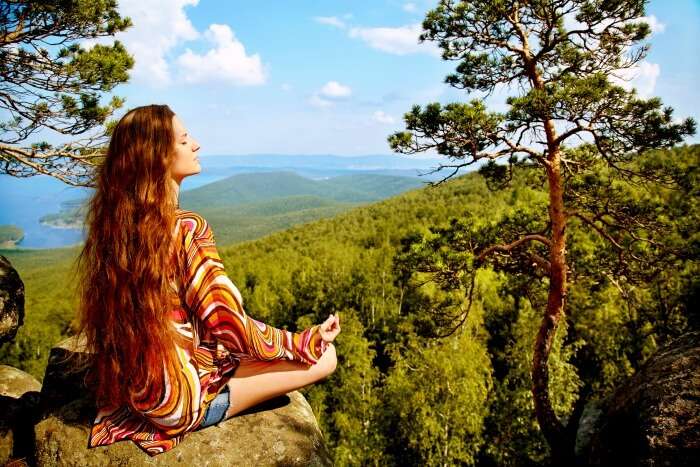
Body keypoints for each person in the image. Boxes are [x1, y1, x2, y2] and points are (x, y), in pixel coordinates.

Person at [70, 104, 340, 456]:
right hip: (177, 403)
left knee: (235, 349)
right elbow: (228, 324)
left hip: (138, 391)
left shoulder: (117, 229)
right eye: (184, 140)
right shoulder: (185, 228)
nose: (196, 144)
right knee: (326, 357)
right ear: (159, 157)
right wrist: (304, 341)